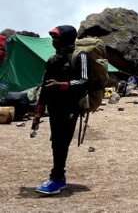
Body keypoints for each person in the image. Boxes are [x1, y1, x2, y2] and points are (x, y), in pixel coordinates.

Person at [32, 25, 90, 196]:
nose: (53, 41)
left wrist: (63, 85)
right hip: (55, 107)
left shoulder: (80, 56)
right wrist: (38, 111)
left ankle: (56, 179)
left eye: (56, 38)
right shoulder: (52, 59)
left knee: (61, 142)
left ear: (65, 39)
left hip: (71, 106)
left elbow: (85, 80)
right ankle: (59, 177)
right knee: (56, 141)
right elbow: (45, 86)